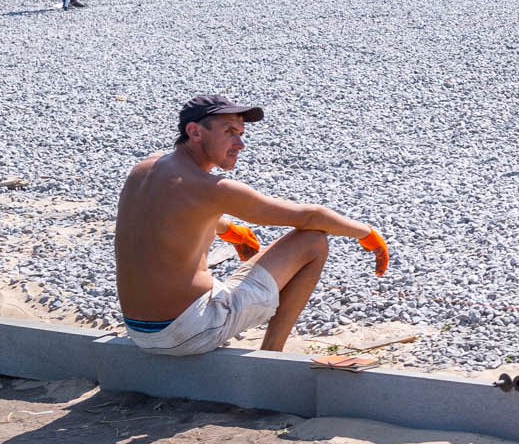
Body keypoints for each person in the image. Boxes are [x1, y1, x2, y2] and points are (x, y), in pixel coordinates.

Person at [115, 94, 390, 356]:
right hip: (188, 332)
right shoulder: (213, 188)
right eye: (229, 132)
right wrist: (366, 234)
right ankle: (271, 356)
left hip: (140, 332)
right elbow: (311, 216)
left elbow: (175, 211)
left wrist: (229, 230)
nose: (240, 144)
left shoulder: (144, 169)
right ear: (195, 132)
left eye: (241, 133)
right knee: (313, 241)